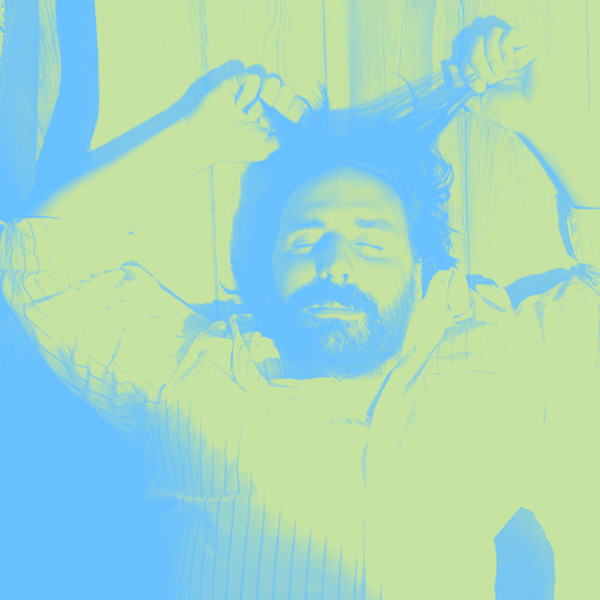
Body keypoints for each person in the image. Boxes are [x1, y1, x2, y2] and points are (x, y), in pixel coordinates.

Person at [1, 17, 598, 599]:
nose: (334, 264)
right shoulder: (190, 374)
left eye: (371, 243)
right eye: (304, 241)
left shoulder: (495, 353)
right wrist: (194, 137)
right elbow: (49, 265)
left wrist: (546, 125)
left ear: (420, 273)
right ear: (269, 270)